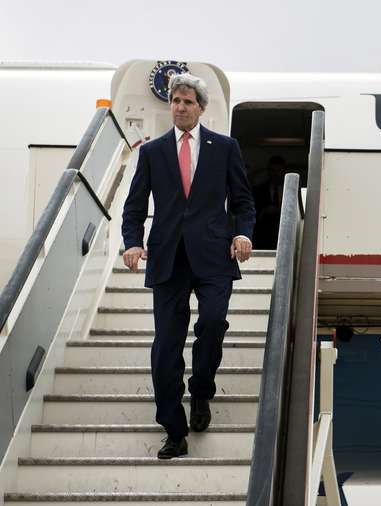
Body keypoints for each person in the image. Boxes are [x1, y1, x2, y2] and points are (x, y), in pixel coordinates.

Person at [121, 73, 256, 459]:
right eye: (175, 101)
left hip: (214, 256)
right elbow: (133, 208)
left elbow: (243, 201)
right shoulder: (152, 153)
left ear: (201, 108)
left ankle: (200, 391)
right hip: (167, 259)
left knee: (212, 325)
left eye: (187, 102)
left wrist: (243, 233)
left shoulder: (225, 148)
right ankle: (173, 430)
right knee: (166, 346)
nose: (180, 107)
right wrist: (132, 242)